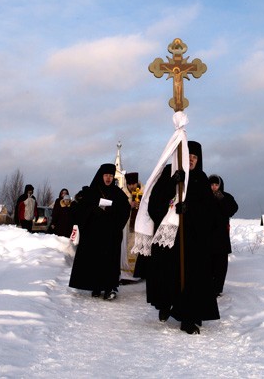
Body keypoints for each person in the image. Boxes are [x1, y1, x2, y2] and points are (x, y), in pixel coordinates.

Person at [145, 141, 220, 334]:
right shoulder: (171, 173)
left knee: (192, 277)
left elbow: (209, 211)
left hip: (192, 240)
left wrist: (190, 209)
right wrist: (172, 183)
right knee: (167, 274)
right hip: (170, 239)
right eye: (189, 156)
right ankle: (165, 304)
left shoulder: (201, 178)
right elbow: (154, 203)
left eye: (195, 157)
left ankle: (189, 317)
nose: (192, 160)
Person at [69, 163, 131, 300]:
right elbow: (80, 210)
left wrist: (112, 212)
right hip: (94, 234)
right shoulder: (92, 192)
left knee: (109, 262)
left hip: (111, 234)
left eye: (111, 176)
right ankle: (96, 286)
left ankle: (109, 289)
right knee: (95, 261)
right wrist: (93, 210)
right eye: (106, 175)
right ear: (101, 176)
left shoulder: (118, 193)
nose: (108, 178)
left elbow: (125, 210)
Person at [208, 174, 239, 296]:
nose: (214, 187)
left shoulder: (226, 197)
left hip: (221, 237)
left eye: (216, 185)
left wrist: (221, 199)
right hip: (207, 236)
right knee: (208, 263)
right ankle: (208, 287)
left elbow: (231, 210)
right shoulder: (204, 197)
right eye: (211, 185)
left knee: (220, 265)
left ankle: (217, 289)